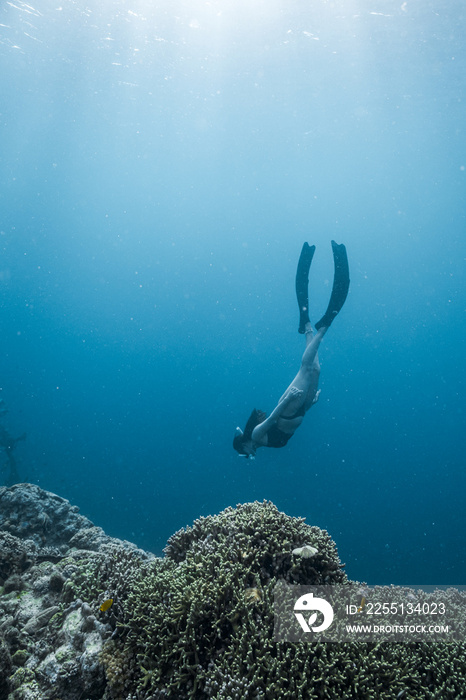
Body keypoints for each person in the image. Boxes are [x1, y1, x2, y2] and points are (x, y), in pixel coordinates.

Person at [233, 241, 349, 458]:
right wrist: (310, 405)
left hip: (289, 408)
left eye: (244, 453)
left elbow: (272, 419)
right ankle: (306, 326)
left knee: (307, 368)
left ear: (245, 446)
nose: (248, 455)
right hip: (301, 409)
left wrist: (287, 400)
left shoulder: (257, 436)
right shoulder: (260, 443)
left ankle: (322, 329)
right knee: (315, 370)